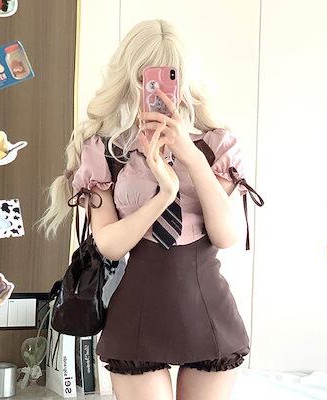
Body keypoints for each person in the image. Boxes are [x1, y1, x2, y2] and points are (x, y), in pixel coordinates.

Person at [39, 18, 264, 400]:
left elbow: (226, 236)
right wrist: (165, 193)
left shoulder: (215, 146)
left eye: (169, 77)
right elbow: (109, 245)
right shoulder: (104, 150)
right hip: (136, 314)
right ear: (131, 79)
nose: (158, 90)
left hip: (208, 311)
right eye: (148, 78)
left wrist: (190, 157)